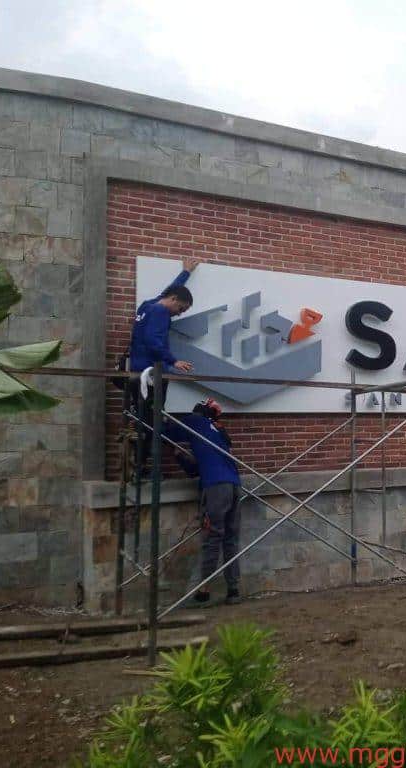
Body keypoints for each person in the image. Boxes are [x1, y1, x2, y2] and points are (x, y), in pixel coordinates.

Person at [165, 398, 243, 606]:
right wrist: (183, 458)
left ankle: (204, 591)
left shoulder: (195, 421)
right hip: (234, 485)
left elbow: (165, 431)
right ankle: (233, 590)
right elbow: (199, 467)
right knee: (230, 539)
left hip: (216, 487)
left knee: (212, 537)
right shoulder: (219, 433)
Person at [128, 257, 199, 476]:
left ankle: (139, 465)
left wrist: (185, 273)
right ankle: (141, 468)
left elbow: (168, 291)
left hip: (137, 372)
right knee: (151, 422)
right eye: (181, 308)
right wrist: (173, 360)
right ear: (174, 300)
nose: (180, 313)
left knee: (145, 419)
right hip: (150, 376)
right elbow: (153, 341)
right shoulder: (160, 312)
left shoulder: (149, 305)